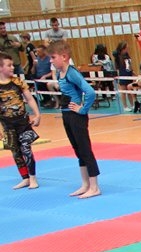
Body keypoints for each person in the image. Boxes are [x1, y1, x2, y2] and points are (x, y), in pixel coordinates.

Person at [51, 40, 101, 199]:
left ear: (64, 57)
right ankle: (85, 184)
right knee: (78, 150)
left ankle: (94, 186)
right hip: (66, 114)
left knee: (85, 150)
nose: (51, 61)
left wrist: (83, 109)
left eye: (53, 57)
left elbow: (90, 92)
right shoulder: (59, 73)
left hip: (76, 116)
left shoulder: (72, 73)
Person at [0, 52, 42, 190]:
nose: (13, 67)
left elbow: (29, 99)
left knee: (26, 149)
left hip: (23, 123)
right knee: (16, 152)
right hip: (7, 124)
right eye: (9, 65)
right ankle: (25, 178)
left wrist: (37, 114)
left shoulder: (17, 81)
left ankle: (33, 177)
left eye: (12, 65)